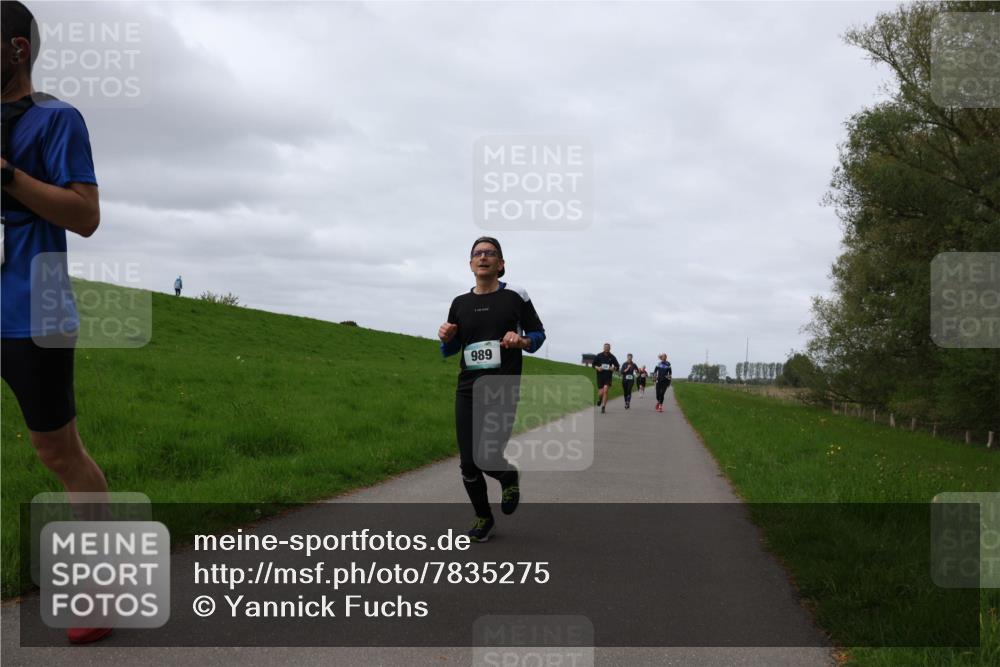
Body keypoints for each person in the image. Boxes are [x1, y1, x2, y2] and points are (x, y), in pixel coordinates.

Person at [1, 0, 111, 644]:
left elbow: (85, 215)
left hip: (32, 313)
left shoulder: (57, 119)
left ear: (16, 48)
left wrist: (9, 177)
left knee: (58, 452)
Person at [438, 237, 545, 542]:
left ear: (501, 264)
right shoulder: (460, 303)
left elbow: (538, 335)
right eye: (477, 254)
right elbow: (450, 350)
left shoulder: (515, 296)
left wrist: (521, 341)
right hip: (468, 389)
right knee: (468, 462)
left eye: (490, 253)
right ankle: (483, 518)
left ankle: (508, 476)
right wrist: (446, 337)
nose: (483, 257)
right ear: (470, 263)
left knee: (487, 455)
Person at [591, 343, 619, 414]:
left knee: (606, 390)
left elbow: (617, 366)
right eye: (605, 347)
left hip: (608, 376)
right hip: (600, 376)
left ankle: (603, 407)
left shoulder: (612, 357)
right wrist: (598, 368)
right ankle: (600, 399)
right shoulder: (599, 355)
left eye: (608, 347)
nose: (606, 348)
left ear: (610, 348)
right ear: (603, 348)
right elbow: (593, 364)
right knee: (601, 393)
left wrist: (613, 368)